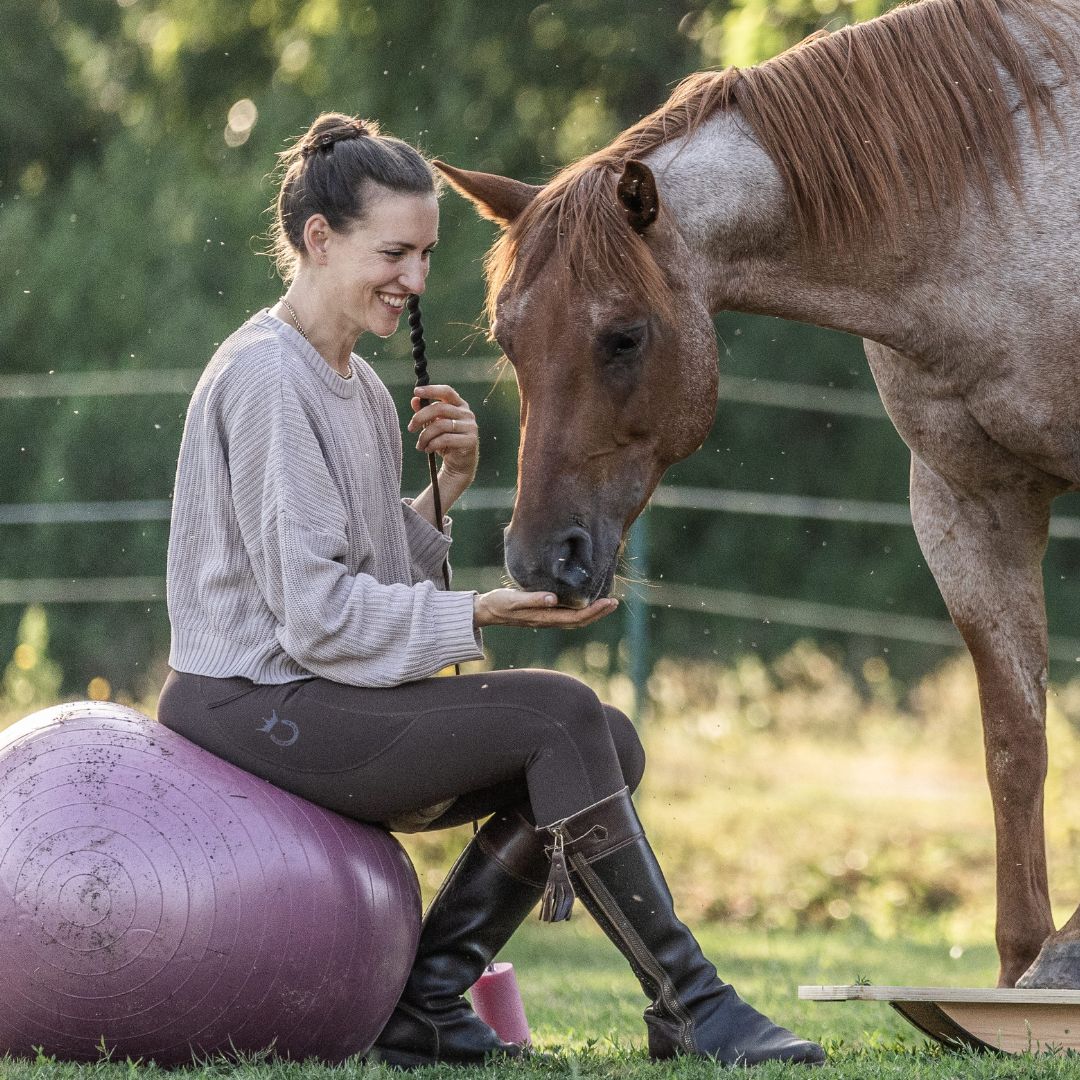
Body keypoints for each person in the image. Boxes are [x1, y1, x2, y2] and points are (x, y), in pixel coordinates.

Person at [156, 112, 825, 1069]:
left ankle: (427, 999)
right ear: (318, 239)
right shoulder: (269, 380)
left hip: (310, 694)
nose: (417, 281)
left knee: (604, 738)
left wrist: (439, 499)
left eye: (427, 254)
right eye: (395, 252)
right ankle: (693, 1002)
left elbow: (360, 587)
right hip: (251, 706)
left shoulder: (359, 390)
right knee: (559, 717)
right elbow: (314, 621)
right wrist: (475, 610)